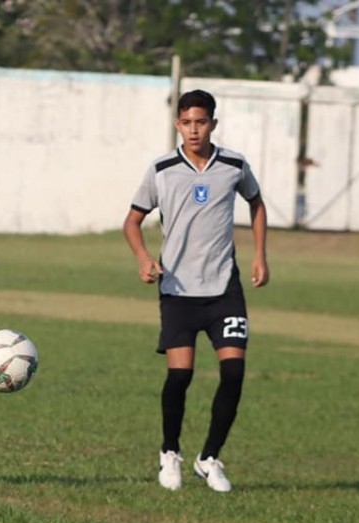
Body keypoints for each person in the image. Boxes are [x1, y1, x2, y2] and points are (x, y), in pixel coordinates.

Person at [123, 89, 269, 493]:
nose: (193, 130)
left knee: (234, 372)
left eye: (201, 122)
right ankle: (170, 453)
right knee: (180, 375)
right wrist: (142, 257)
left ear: (213, 124)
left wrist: (260, 256)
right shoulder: (162, 168)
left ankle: (210, 458)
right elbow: (132, 221)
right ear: (177, 124)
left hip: (224, 288)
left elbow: (257, 204)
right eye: (186, 122)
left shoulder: (234, 165)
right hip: (178, 290)